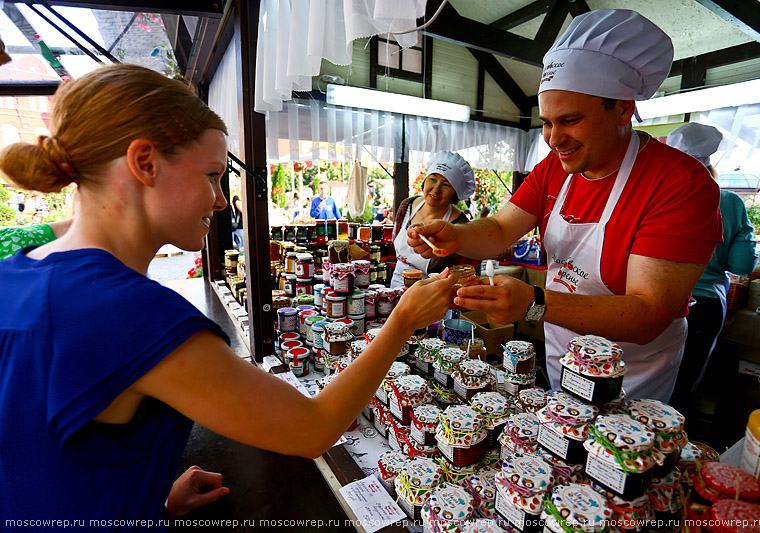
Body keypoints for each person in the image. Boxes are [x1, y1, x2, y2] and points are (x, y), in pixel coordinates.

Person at [0, 64, 457, 528]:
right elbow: (313, 429)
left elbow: (41, 453)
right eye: (212, 175)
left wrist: (141, 492)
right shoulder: (132, 314)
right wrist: (401, 321)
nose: (221, 200)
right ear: (145, 163)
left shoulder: (15, 273)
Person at [406, 9, 723, 401]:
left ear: (623, 107)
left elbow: (647, 314)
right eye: (547, 122)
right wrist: (455, 234)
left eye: (570, 120)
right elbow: (501, 229)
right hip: (562, 356)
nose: (554, 139)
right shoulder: (555, 169)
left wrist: (535, 303)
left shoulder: (680, 183)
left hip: (633, 374)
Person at [666, 123, 758, 407]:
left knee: (642, 375)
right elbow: (742, 264)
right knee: (682, 385)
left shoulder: (657, 197)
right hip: (704, 305)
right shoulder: (728, 202)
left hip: (655, 298)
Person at [390, 151, 478, 288]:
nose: (436, 189)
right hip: (395, 288)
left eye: (446, 185)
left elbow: (465, 274)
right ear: (425, 180)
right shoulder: (407, 206)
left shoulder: (460, 225)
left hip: (431, 295)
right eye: (433, 179)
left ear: (454, 193)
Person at [230, 184, 244, 250]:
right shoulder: (237, 199)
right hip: (240, 227)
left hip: (241, 227)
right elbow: (244, 210)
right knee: (242, 245)